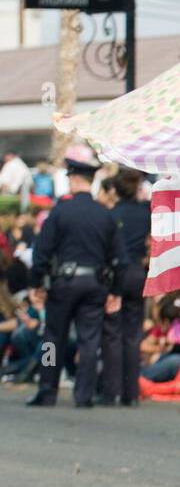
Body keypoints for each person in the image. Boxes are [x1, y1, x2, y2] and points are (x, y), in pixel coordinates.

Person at [26, 147, 125, 408]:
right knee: (89, 340)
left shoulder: (60, 212)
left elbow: (42, 252)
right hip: (95, 285)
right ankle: (84, 395)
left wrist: (36, 284)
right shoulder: (106, 215)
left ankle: (47, 391)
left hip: (64, 283)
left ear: (72, 179)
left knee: (52, 339)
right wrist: (115, 290)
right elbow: (120, 258)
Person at [97, 170, 150, 405]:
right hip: (138, 273)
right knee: (133, 334)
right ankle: (131, 392)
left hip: (116, 274)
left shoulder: (110, 214)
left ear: (115, 190)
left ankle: (112, 391)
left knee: (112, 334)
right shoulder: (146, 212)